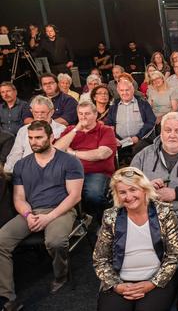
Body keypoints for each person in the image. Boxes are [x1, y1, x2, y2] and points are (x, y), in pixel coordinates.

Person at [0, 121, 83, 311]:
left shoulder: (69, 161)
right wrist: (28, 215)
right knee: (1, 241)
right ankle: (7, 296)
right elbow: (19, 198)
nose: (34, 142)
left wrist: (50, 217)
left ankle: (61, 275)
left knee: (55, 241)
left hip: (61, 209)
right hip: (32, 211)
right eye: (30, 138)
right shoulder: (21, 165)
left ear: (51, 137)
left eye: (38, 137)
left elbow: (75, 196)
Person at [93, 167, 178, 311]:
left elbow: (174, 256)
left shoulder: (164, 213)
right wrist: (116, 285)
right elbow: (100, 260)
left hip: (156, 279)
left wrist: (152, 283)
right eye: (122, 192)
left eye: (133, 190)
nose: (128, 196)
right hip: (120, 281)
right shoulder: (111, 216)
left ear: (144, 190)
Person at [131, 112, 178, 218]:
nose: (172, 135)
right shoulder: (143, 154)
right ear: (161, 132)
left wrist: (176, 193)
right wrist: (147, 187)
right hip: (150, 215)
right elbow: (128, 184)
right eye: (168, 130)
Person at [54, 101, 117, 222]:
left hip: (96, 172)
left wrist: (73, 153)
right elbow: (56, 150)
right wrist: (76, 129)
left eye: (87, 114)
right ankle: (74, 222)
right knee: (56, 194)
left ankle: (100, 223)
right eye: (80, 114)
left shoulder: (105, 130)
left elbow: (101, 154)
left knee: (93, 195)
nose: (83, 117)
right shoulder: (70, 130)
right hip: (70, 173)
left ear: (95, 114)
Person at [4, 96, 67, 173]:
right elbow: (15, 154)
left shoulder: (62, 130)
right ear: (31, 111)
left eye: (43, 112)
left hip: (52, 172)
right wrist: (8, 172)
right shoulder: (24, 130)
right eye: (36, 112)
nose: (39, 116)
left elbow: (64, 156)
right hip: (26, 171)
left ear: (51, 112)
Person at [105, 79, 156, 162]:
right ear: (118, 91)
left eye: (127, 90)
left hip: (140, 139)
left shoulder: (142, 103)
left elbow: (151, 121)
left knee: (138, 149)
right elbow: (109, 123)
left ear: (132, 90)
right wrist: (113, 137)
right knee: (107, 149)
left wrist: (138, 137)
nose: (124, 93)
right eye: (122, 90)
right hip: (119, 141)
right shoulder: (114, 105)